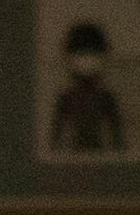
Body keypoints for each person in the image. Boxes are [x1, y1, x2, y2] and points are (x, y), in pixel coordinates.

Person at [46, 20, 124, 155]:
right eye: (81, 56)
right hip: (77, 156)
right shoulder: (66, 98)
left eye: (91, 55)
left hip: (94, 155)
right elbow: (54, 139)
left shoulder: (106, 98)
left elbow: (118, 138)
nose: (86, 62)